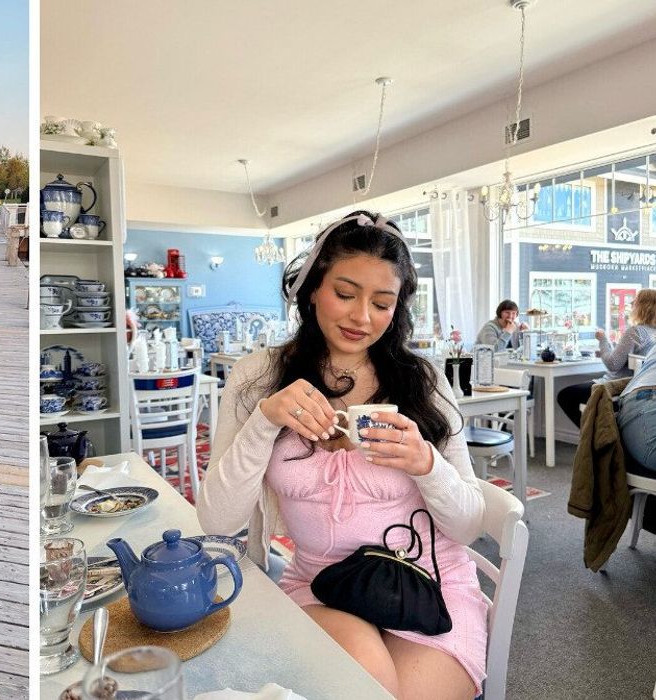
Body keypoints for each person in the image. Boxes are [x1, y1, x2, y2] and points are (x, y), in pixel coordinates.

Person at [198, 211, 487, 700]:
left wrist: (427, 465)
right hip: (319, 585)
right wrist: (265, 422)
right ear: (313, 289)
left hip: (429, 586)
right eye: (346, 294)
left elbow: (469, 526)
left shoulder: (423, 381)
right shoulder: (257, 379)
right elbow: (216, 519)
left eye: (382, 303)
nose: (361, 318)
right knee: (367, 686)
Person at [556, 288, 656, 427]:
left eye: (635, 302)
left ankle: (594, 438)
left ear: (642, 307)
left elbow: (613, 364)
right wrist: (607, 349)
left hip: (614, 387)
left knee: (565, 396)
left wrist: (602, 340)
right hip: (638, 389)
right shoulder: (652, 335)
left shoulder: (636, 331)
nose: (632, 304)